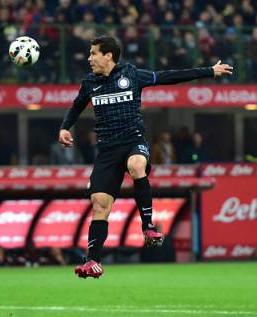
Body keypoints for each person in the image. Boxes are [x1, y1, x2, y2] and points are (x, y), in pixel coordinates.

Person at [57, 36, 232, 279]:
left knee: (136, 165)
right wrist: (65, 127)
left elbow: (168, 76)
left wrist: (209, 71)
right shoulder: (90, 83)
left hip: (133, 142)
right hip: (107, 150)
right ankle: (93, 261)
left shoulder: (131, 75)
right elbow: (76, 107)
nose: (89, 58)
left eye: (93, 53)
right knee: (99, 204)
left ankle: (148, 226)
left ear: (108, 55)